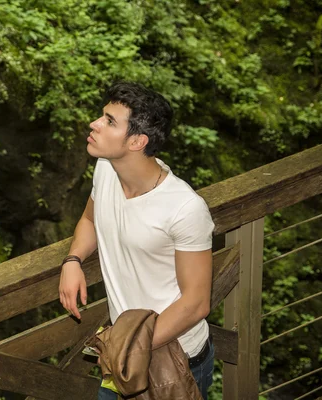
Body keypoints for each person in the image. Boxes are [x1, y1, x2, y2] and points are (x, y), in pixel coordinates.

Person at [58, 81, 215, 399]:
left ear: (138, 141)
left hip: (176, 359)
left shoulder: (184, 208)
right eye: (103, 116)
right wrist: (73, 260)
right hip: (122, 354)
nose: (95, 124)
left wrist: (126, 345)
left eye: (110, 121)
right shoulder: (105, 169)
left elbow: (196, 302)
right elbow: (90, 218)